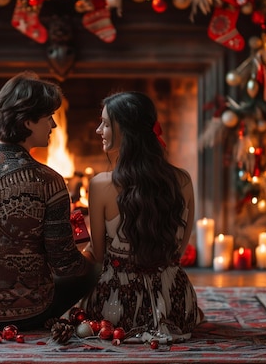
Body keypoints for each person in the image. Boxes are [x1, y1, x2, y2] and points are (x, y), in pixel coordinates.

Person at [0, 71, 96, 331]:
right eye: (49, 117)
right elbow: (65, 265)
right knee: (93, 271)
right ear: (28, 122)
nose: (54, 125)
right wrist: (91, 258)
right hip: (30, 313)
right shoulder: (48, 180)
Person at [81, 91, 204, 342]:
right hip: (176, 303)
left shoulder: (100, 185)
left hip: (116, 308)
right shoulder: (183, 179)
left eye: (105, 124)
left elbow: (100, 256)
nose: (98, 130)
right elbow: (179, 251)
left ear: (124, 131)